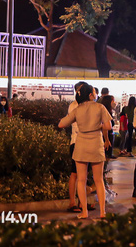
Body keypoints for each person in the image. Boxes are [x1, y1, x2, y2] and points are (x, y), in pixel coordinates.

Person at [58, 83, 112, 219]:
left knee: (81, 180)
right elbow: (108, 126)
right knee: (99, 180)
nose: (95, 94)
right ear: (90, 95)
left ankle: (84, 212)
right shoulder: (100, 107)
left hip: (81, 145)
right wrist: (97, 126)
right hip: (96, 144)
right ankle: (102, 212)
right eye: (94, 92)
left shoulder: (77, 109)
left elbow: (61, 124)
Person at [64, 81, 88, 214]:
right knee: (75, 173)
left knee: (83, 175)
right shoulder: (74, 106)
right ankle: (72, 202)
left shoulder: (85, 105)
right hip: (77, 142)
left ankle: (81, 202)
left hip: (85, 142)